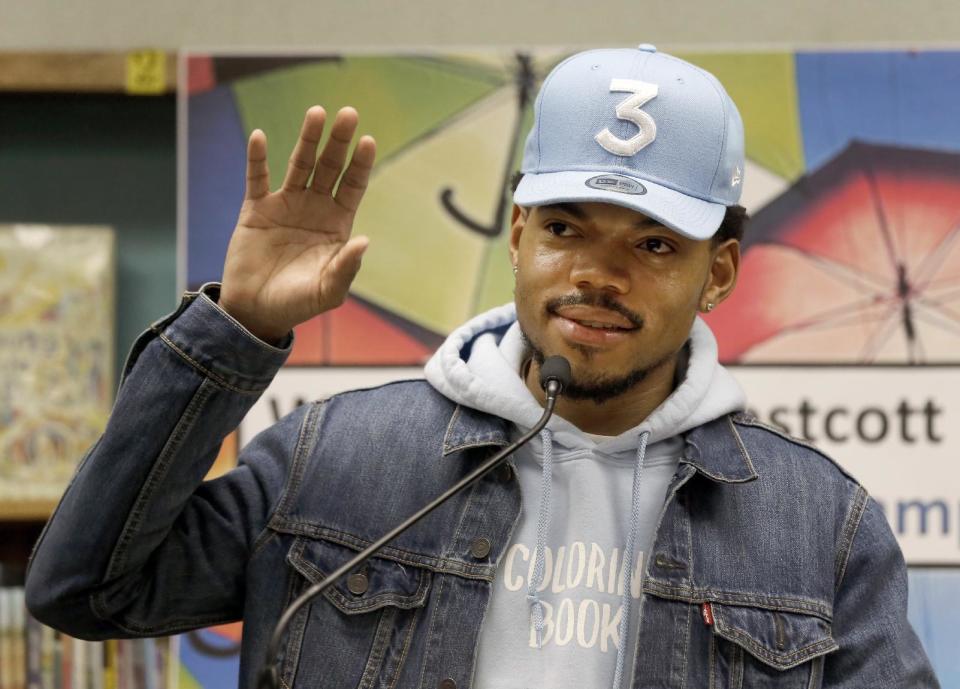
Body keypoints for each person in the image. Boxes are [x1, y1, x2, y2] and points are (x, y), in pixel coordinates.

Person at [25, 45, 938, 689]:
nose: (594, 273)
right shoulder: (333, 456)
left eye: (654, 243)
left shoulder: (822, 529)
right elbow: (85, 586)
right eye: (564, 227)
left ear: (719, 273)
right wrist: (237, 327)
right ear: (516, 234)